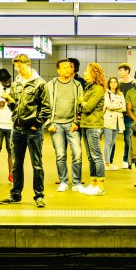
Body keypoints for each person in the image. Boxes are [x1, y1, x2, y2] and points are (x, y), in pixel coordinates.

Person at [0, 54, 52, 208]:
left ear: (28, 64)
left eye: (20, 66)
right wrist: (9, 102)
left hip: (33, 130)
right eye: (16, 67)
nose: (18, 70)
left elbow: (47, 108)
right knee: (16, 164)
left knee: (37, 164)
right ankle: (15, 194)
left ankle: (39, 195)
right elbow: (15, 107)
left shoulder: (40, 83)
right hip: (17, 129)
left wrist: (37, 124)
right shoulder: (16, 84)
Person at [44, 58, 84, 193]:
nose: (68, 70)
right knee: (60, 154)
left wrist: (77, 122)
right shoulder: (51, 84)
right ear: (58, 70)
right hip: (56, 125)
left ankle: (77, 182)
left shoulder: (77, 85)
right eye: (65, 68)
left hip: (72, 124)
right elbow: (45, 104)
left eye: (69, 67)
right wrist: (49, 123)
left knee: (77, 153)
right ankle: (63, 181)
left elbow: (81, 105)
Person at [77, 62, 106, 196]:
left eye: (87, 71)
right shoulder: (89, 87)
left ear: (94, 74)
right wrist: (83, 103)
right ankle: (93, 183)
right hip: (86, 124)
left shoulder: (98, 88)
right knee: (90, 157)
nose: (84, 73)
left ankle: (100, 186)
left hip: (94, 125)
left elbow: (88, 107)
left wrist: (82, 102)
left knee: (96, 156)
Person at [113, 62, 135, 169]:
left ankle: (126, 160)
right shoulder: (118, 84)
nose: (119, 72)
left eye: (121, 70)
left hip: (128, 115)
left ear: (127, 71)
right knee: (112, 138)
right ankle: (110, 161)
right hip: (117, 114)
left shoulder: (134, 83)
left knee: (127, 139)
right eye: (119, 70)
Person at [103, 76, 125, 171]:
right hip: (108, 120)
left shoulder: (121, 94)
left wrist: (115, 106)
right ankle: (107, 163)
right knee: (107, 143)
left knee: (112, 143)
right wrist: (118, 106)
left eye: (115, 82)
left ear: (117, 83)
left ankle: (109, 163)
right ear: (109, 83)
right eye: (111, 82)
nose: (113, 84)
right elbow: (108, 105)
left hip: (118, 121)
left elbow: (124, 108)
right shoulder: (106, 93)